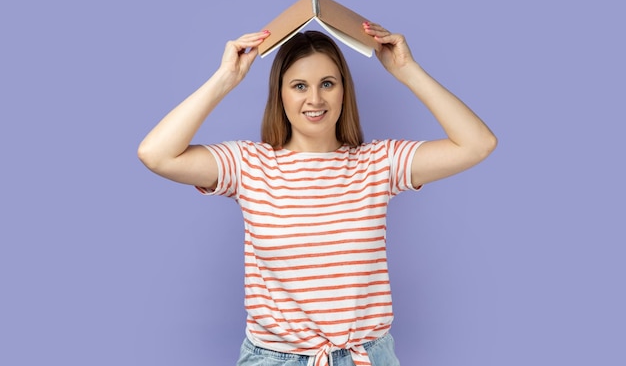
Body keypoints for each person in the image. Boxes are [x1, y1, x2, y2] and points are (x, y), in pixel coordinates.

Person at [138, 22, 497, 366]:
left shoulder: (377, 163)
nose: (314, 99)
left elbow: (477, 144)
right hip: (273, 359)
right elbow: (155, 154)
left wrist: (407, 70)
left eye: (327, 83)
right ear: (280, 93)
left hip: (366, 357)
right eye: (298, 86)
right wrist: (225, 79)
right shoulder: (248, 164)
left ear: (344, 90)